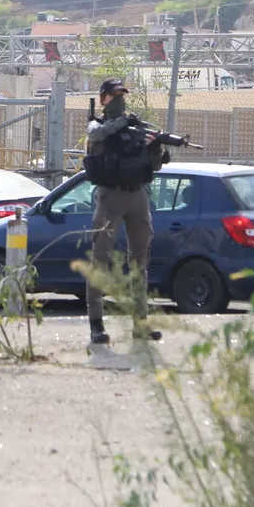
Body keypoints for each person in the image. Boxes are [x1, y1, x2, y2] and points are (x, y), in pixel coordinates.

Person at [83, 78, 167, 345]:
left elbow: (154, 167)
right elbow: (96, 135)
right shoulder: (98, 125)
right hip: (110, 196)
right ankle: (97, 324)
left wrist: (156, 151)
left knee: (139, 263)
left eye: (122, 95)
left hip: (138, 195)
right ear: (104, 98)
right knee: (101, 260)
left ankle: (140, 323)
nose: (120, 99)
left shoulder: (136, 128)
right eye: (115, 95)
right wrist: (122, 121)